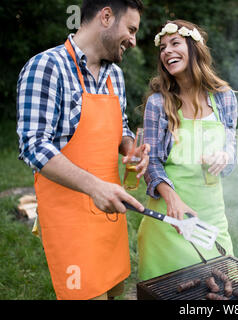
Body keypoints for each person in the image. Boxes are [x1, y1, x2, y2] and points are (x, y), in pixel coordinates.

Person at [16, 0, 148, 300]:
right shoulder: (46, 67)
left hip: (109, 212)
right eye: (130, 29)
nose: (134, 39)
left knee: (113, 290)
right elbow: (33, 146)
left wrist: (129, 147)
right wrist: (94, 187)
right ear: (105, 17)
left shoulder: (115, 74)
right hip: (71, 220)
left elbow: (122, 126)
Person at [138, 20, 238, 279]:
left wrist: (225, 157)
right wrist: (174, 201)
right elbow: (152, 163)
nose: (167, 51)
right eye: (162, 47)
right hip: (168, 223)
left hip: (212, 219)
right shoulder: (158, 104)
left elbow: (232, 148)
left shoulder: (224, 98)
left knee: (223, 292)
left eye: (175, 43)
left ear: (194, 48)